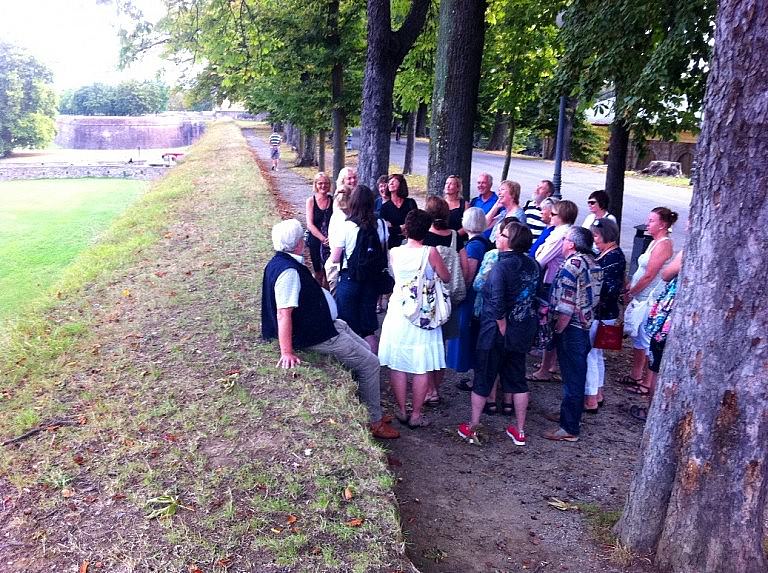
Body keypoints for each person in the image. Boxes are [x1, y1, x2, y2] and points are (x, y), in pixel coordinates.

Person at [261, 219, 399, 439]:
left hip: (327, 324)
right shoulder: (288, 271)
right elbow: (283, 313)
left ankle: (368, 406)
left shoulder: (282, 261)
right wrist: (286, 351)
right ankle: (374, 421)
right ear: (299, 243)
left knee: (364, 346)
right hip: (316, 335)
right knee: (371, 363)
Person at [457, 222, 540, 446]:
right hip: (522, 330)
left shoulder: (500, 267)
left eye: (502, 235)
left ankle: (472, 426)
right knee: (517, 379)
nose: (498, 237)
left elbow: (496, 301)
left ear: (510, 241)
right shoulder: (533, 265)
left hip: (495, 331)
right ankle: (520, 430)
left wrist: (502, 326)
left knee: (483, 377)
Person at [379, 209, 451, 429]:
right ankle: (417, 414)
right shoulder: (430, 252)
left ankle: (402, 409)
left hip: (399, 310)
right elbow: (446, 276)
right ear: (427, 229)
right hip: (424, 313)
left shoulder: (394, 252)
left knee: (398, 364)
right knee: (422, 364)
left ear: (406, 228)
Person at [542, 226, 603, 442]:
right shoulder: (594, 262)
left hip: (572, 328)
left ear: (572, 244)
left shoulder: (571, 265)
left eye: (565, 239)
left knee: (573, 378)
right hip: (586, 325)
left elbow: (567, 305)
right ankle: (569, 415)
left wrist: (557, 330)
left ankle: (569, 428)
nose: (563, 242)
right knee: (574, 375)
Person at [622, 207, 677, 394]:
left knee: (646, 337)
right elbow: (641, 270)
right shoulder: (654, 242)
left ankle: (647, 382)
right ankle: (636, 374)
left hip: (650, 298)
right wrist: (631, 285)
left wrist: (633, 291)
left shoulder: (664, 244)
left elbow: (650, 275)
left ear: (662, 224)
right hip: (641, 295)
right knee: (638, 336)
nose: (648, 224)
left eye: (652, 221)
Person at [330, 185, 388, 354]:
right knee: (368, 328)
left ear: (353, 202)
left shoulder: (346, 226)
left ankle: (352, 369)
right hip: (372, 281)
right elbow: (384, 250)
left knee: (348, 327)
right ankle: (372, 363)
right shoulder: (381, 224)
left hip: (350, 279)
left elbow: (335, 257)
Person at [423, 195, 468, 404]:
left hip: (429, 298)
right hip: (449, 298)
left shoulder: (424, 237)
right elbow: (465, 268)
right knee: (441, 345)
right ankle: (436, 390)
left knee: (427, 343)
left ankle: (428, 389)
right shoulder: (454, 237)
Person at [630, 248, 683, 423]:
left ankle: (653, 413)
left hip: (669, 318)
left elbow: (666, 274)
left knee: (656, 366)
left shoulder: (688, 250)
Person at [529, 199, 579, 382]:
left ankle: (545, 368)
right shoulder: (559, 232)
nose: (550, 216)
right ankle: (549, 363)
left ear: (562, 217)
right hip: (552, 282)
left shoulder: (561, 235)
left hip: (551, 284)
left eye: (554, 214)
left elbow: (541, 259)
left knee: (548, 324)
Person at [446, 208, 493, 388]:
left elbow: (469, 275)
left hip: (471, 298)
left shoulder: (474, 246)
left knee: (468, 334)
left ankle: (474, 376)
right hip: (479, 298)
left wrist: (458, 293)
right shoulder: (484, 241)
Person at [584, 218, 626, 412]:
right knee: (597, 354)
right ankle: (598, 393)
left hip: (600, 313)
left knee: (591, 355)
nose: (594, 239)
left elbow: (606, 289)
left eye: (596, 235)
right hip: (606, 312)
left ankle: (590, 398)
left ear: (606, 236)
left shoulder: (611, 258)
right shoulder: (611, 254)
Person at [305, 172, 333, 286]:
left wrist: (330, 239)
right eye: (320, 183)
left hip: (331, 240)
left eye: (326, 183)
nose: (323, 186)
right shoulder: (311, 201)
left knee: (329, 272)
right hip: (316, 240)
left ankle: (328, 298)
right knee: (318, 272)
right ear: (315, 185)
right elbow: (309, 224)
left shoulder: (333, 200)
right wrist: (323, 239)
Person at [379, 174, 418, 249]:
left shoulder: (410, 203)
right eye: (389, 181)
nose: (391, 183)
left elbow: (416, 223)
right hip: (392, 245)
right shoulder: (385, 207)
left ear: (401, 184)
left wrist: (394, 227)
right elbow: (384, 230)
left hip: (410, 244)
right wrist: (400, 228)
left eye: (394, 181)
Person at [469, 172, 498, 239]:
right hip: (473, 237)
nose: (480, 185)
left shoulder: (497, 202)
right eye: (479, 183)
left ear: (490, 185)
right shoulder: (474, 201)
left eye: (483, 183)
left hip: (488, 240)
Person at [444, 175, 468, 245]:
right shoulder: (440, 203)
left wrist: (453, 236)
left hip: (460, 240)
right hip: (442, 239)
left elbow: (467, 226)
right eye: (446, 183)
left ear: (458, 188)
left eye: (451, 184)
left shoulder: (464, 204)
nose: (448, 186)